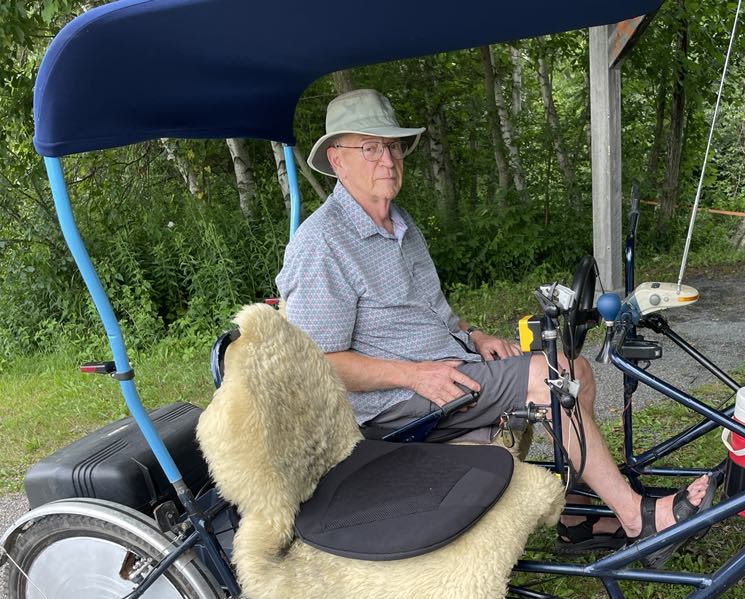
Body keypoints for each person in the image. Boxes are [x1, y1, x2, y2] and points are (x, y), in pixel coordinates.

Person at [276, 89, 712, 564]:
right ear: (337, 160)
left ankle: (576, 515)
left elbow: (431, 314)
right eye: (371, 147)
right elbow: (315, 364)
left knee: (577, 370)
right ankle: (638, 519)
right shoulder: (322, 242)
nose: (388, 159)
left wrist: (474, 336)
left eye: (395, 146)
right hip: (394, 409)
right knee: (551, 379)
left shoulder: (401, 225)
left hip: (447, 372)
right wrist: (414, 375)